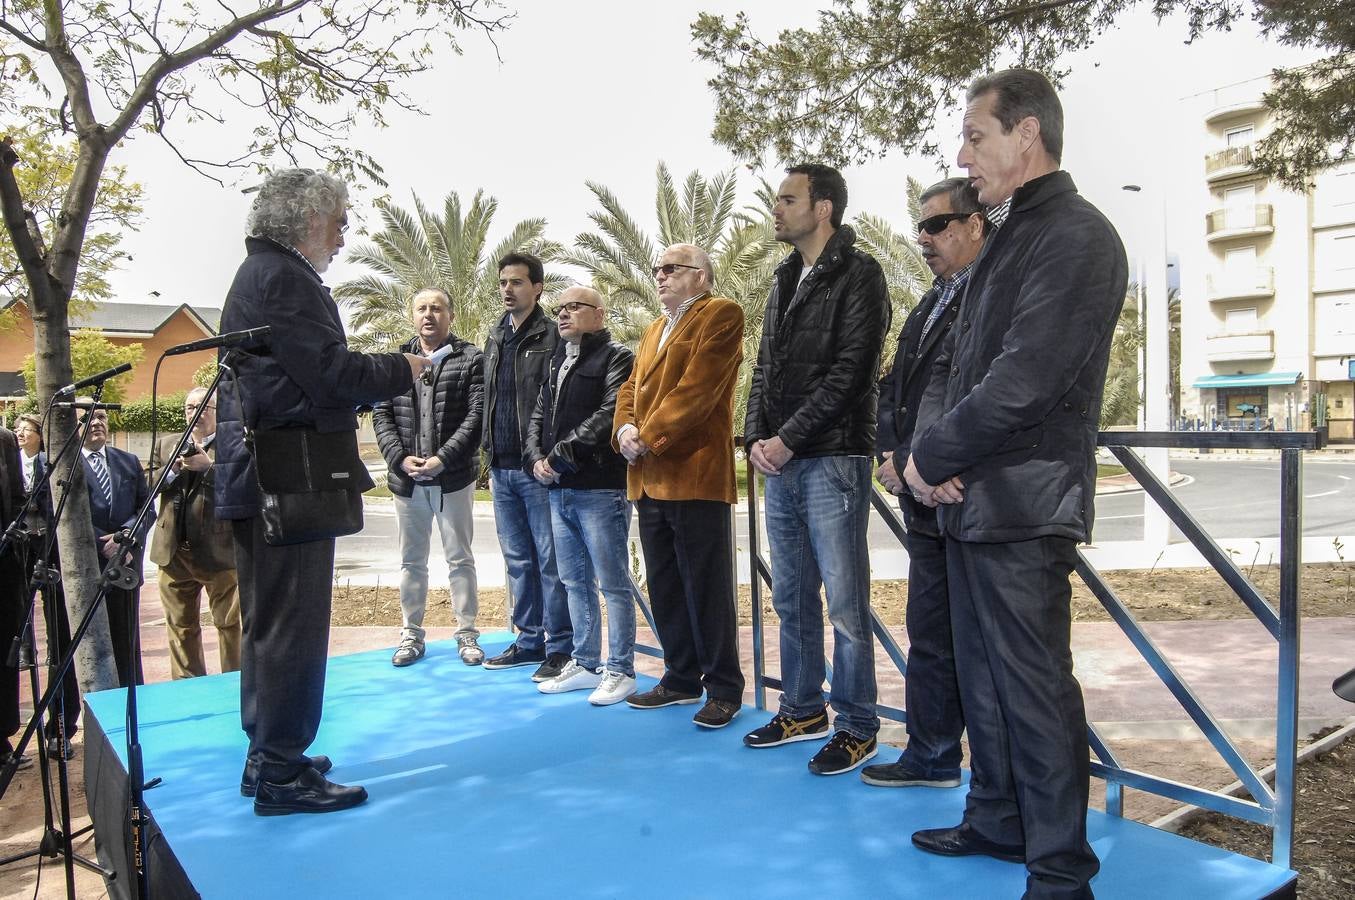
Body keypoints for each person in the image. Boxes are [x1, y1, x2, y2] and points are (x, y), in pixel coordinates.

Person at [902, 69, 1127, 898]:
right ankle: (997, 819)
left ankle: (1060, 870)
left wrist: (932, 456)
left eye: (974, 136)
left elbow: (1024, 379)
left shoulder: (1075, 236)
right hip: (971, 496)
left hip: (1024, 503)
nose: (961, 153)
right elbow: (959, 369)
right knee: (984, 679)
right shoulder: (1008, 237)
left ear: (1025, 134)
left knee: (1031, 689)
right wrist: (934, 458)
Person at [214, 167, 429, 816]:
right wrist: (404, 368)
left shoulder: (261, 275)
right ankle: (282, 774)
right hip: (287, 479)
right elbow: (330, 375)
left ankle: (268, 755)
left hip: (265, 478)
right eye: (338, 220)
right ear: (307, 219)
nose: (343, 233)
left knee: (268, 627)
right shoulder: (283, 278)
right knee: (292, 631)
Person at [742, 164, 890, 775]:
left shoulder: (862, 274)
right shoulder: (783, 278)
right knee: (793, 596)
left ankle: (858, 724)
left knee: (845, 606)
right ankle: (802, 708)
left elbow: (852, 371)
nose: (775, 209)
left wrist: (789, 440)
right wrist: (755, 436)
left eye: (787, 198)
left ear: (823, 208)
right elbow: (764, 367)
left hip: (831, 460)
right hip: (781, 462)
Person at [862, 177, 987, 789]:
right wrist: (892, 451)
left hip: (964, 494)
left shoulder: (986, 297)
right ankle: (932, 755)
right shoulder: (930, 301)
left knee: (976, 645)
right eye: (921, 227)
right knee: (930, 631)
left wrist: (925, 460)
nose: (923, 238)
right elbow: (896, 385)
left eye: (937, 225)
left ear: (974, 226)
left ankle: (988, 782)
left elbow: (961, 391)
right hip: (922, 490)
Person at [613, 243, 745, 729]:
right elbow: (629, 388)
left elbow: (699, 389)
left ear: (702, 277)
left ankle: (724, 688)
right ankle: (680, 677)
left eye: (672, 269)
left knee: (707, 588)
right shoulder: (652, 330)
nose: (661, 276)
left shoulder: (721, 315)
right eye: (657, 270)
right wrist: (623, 430)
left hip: (694, 475)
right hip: (648, 479)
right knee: (666, 584)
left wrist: (648, 436)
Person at [524, 286, 638, 706]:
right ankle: (587, 663)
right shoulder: (558, 359)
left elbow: (610, 413)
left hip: (600, 488)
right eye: (559, 309)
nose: (563, 315)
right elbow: (539, 414)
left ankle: (621, 669)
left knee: (612, 584)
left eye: (574, 307)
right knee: (574, 581)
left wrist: (560, 457)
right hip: (560, 490)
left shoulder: (617, 358)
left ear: (600, 314)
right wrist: (536, 458)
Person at [373, 287, 485, 668]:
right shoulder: (394, 362)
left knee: (460, 559)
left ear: (450, 315)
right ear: (412, 315)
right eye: (421, 308)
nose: (429, 315)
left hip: (452, 480)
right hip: (406, 483)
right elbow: (381, 414)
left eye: (437, 308)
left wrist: (442, 459)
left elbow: (476, 416)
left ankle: (467, 634)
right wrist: (399, 458)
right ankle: (411, 634)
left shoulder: (470, 359)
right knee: (411, 561)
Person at [480, 253, 572, 682]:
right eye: (503, 282)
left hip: (537, 469)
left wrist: (544, 454)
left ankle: (559, 646)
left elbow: (555, 402)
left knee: (550, 560)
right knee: (518, 559)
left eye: (516, 282)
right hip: (500, 467)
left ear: (537, 288)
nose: (507, 289)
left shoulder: (552, 337)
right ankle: (529, 639)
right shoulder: (496, 336)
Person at [148, 387, 241, 679]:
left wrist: (209, 468)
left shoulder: (234, 444)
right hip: (173, 553)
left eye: (203, 408)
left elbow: (244, 486)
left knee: (230, 625)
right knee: (180, 626)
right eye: (189, 407)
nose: (195, 413)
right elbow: (145, 485)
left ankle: (234, 685)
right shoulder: (166, 444)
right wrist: (171, 472)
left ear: (219, 413)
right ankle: (188, 688)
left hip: (220, 552)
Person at [14, 413, 81, 759]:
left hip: (53, 558)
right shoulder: (9, 464)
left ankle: (60, 727)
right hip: (15, 561)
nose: (21, 434)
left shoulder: (54, 465)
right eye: (18, 430)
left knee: (60, 643)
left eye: (28, 429)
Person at [79, 402, 153, 688]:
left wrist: (124, 537)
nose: (96, 422)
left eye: (101, 416)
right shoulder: (67, 464)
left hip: (125, 565)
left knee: (126, 644)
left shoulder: (128, 461)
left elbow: (147, 507)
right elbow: (61, 514)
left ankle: (133, 707)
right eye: (88, 417)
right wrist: (103, 544)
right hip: (89, 567)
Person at [1, 422, 30, 768]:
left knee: (3, 658)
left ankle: (1, 741)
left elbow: (19, 500)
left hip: (4, 571)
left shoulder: (5, 440)